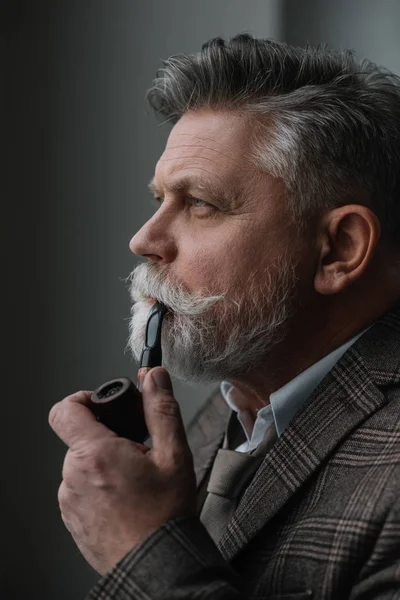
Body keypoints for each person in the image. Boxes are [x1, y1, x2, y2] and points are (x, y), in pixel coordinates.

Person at [49, 34, 400, 599]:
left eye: (200, 203)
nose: (144, 239)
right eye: (159, 199)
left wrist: (142, 552)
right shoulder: (236, 401)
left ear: (339, 248)